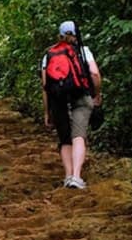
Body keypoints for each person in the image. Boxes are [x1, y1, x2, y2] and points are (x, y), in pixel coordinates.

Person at [41, 20, 102, 189]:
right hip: (81, 95)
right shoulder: (83, 51)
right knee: (78, 135)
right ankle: (77, 176)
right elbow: (94, 73)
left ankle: (67, 176)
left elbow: (45, 85)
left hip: (58, 98)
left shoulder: (49, 54)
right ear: (76, 35)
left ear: (60, 35)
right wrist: (96, 94)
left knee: (65, 138)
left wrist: (47, 111)